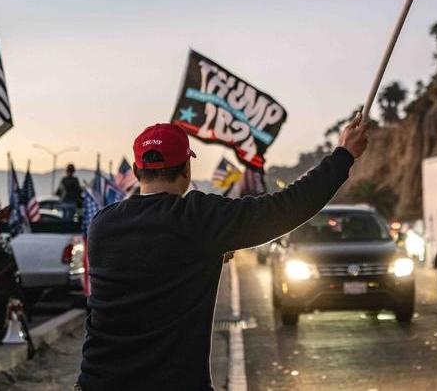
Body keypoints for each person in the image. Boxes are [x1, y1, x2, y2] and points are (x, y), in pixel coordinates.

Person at [77, 114, 370, 391]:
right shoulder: (198, 219)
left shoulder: (103, 224)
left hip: (97, 381)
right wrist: (343, 155)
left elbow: (151, 257)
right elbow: (285, 207)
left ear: (137, 169)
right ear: (187, 170)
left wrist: (207, 251)